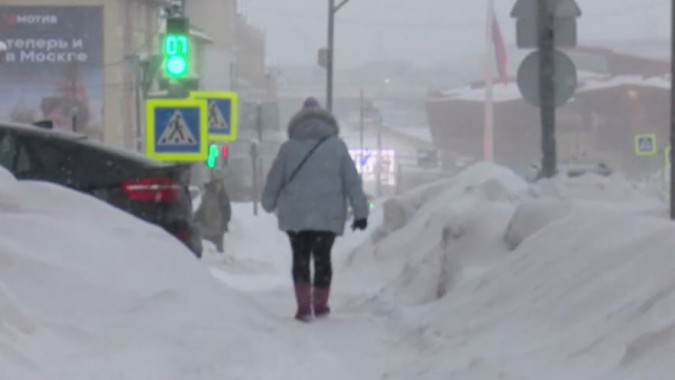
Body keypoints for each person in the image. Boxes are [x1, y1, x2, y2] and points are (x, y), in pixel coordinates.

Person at [262, 97, 369, 322]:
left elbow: (274, 180)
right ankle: (320, 306)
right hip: (327, 215)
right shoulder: (337, 147)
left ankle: (303, 308)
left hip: (296, 215)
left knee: (300, 257)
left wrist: (268, 202)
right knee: (323, 257)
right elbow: (352, 182)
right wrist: (361, 213)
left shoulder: (288, 148)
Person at [195, 175, 232, 253]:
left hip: (217, 226)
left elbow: (226, 211)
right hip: (210, 225)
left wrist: (224, 222)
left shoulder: (221, 196)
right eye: (217, 185)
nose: (218, 187)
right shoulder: (209, 196)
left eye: (219, 185)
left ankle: (219, 257)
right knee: (215, 247)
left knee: (218, 247)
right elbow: (202, 209)